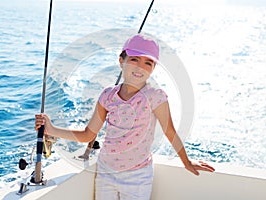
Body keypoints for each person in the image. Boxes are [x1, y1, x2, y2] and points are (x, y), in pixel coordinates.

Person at [35, 34, 215, 200]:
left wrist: (186, 161)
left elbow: (169, 131)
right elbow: (88, 135)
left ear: (153, 68)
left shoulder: (155, 96)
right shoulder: (107, 96)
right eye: (134, 59)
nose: (140, 67)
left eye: (148, 63)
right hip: (106, 172)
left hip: (137, 178)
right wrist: (51, 129)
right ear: (121, 61)